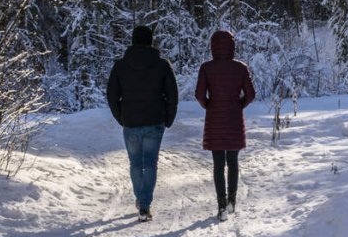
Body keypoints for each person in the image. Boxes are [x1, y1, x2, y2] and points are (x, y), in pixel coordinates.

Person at [107, 25, 178, 222]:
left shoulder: (121, 65)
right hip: (155, 120)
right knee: (150, 163)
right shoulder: (162, 65)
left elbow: (112, 96)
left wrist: (121, 117)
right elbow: (172, 95)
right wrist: (168, 118)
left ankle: (141, 200)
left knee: (136, 163)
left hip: (130, 121)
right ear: (150, 41)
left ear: (133, 41)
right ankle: (145, 204)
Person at [194, 29, 256, 221]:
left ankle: (221, 206)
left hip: (215, 120)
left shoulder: (206, 68)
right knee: (233, 162)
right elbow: (251, 94)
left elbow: (199, 94)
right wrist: (239, 105)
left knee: (218, 164)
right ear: (232, 46)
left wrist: (209, 105)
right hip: (234, 120)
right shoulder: (240, 68)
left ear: (213, 46)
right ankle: (232, 202)